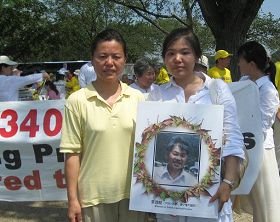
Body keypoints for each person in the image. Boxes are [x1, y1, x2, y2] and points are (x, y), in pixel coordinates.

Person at [148, 27, 245, 222]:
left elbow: (233, 137)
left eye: (185, 52)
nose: (177, 59)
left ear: (197, 56)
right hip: (168, 202)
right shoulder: (157, 94)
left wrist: (227, 183)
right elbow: (149, 144)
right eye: (171, 53)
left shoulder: (216, 90)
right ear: (164, 59)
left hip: (209, 197)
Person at [60, 28, 146, 222]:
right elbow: (72, 154)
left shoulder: (138, 98)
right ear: (92, 60)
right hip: (92, 198)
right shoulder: (77, 101)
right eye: (102, 56)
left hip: (133, 195)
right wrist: (73, 199)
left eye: (116, 56)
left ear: (125, 60)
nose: (109, 63)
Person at [236, 41, 280, 222]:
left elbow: (261, 125)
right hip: (239, 146)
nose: (238, 64)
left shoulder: (268, 90)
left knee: (265, 204)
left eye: (240, 60)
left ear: (251, 64)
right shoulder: (243, 82)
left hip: (260, 150)